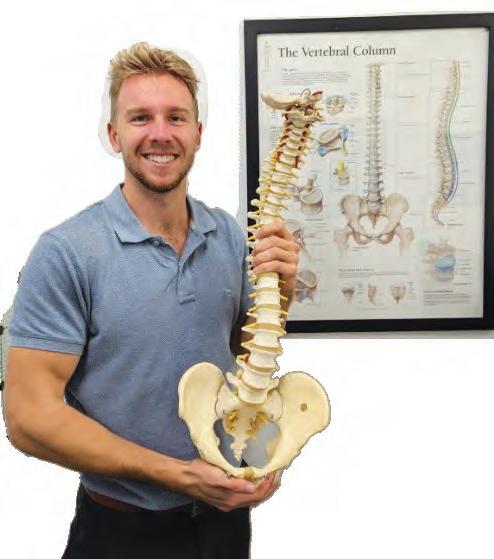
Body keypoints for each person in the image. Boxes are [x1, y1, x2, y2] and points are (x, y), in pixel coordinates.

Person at [4, 42, 300, 558]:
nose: (160, 133)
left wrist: (284, 290)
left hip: (224, 524)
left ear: (198, 133)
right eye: (141, 118)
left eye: (176, 117)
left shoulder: (228, 235)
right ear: (114, 134)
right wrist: (179, 475)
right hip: (120, 532)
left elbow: (234, 353)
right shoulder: (67, 252)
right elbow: (29, 419)